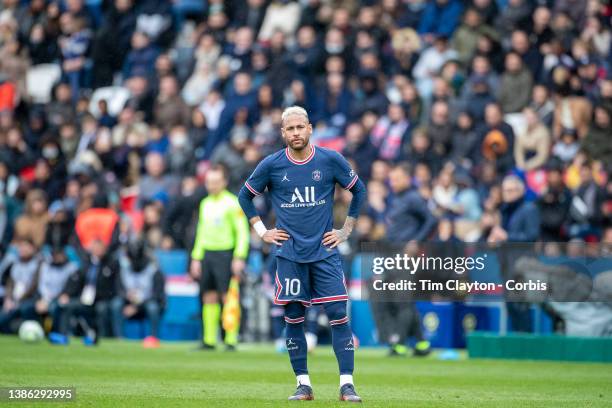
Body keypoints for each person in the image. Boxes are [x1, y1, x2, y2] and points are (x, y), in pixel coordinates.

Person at [238, 106, 366, 402]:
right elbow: (244, 195)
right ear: (282, 133)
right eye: (289, 129)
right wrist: (261, 232)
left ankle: (347, 385)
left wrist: (345, 230)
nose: (295, 133)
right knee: (293, 317)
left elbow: (359, 190)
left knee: (338, 316)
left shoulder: (330, 159)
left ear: (309, 128)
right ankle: (303, 384)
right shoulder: (271, 165)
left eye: (300, 127)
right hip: (289, 256)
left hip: (325, 254)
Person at [189, 164, 250, 350]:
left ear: (224, 182)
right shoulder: (205, 203)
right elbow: (201, 232)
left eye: (215, 182)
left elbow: (242, 232)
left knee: (228, 296)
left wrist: (239, 256)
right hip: (207, 253)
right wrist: (196, 258)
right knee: (208, 296)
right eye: (208, 182)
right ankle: (209, 340)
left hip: (226, 253)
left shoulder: (233, 203)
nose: (211, 186)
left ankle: (230, 339)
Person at [114, 239, 165, 347]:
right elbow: (118, 288)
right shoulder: (123, 268)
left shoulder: (154, 269)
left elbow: (157, 295)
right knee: (116, 304)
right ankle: (119, 337)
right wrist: (126, 296)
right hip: (129, 301)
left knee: (153, 308)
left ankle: (153, 337)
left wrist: (137, 307)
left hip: (147, 302)